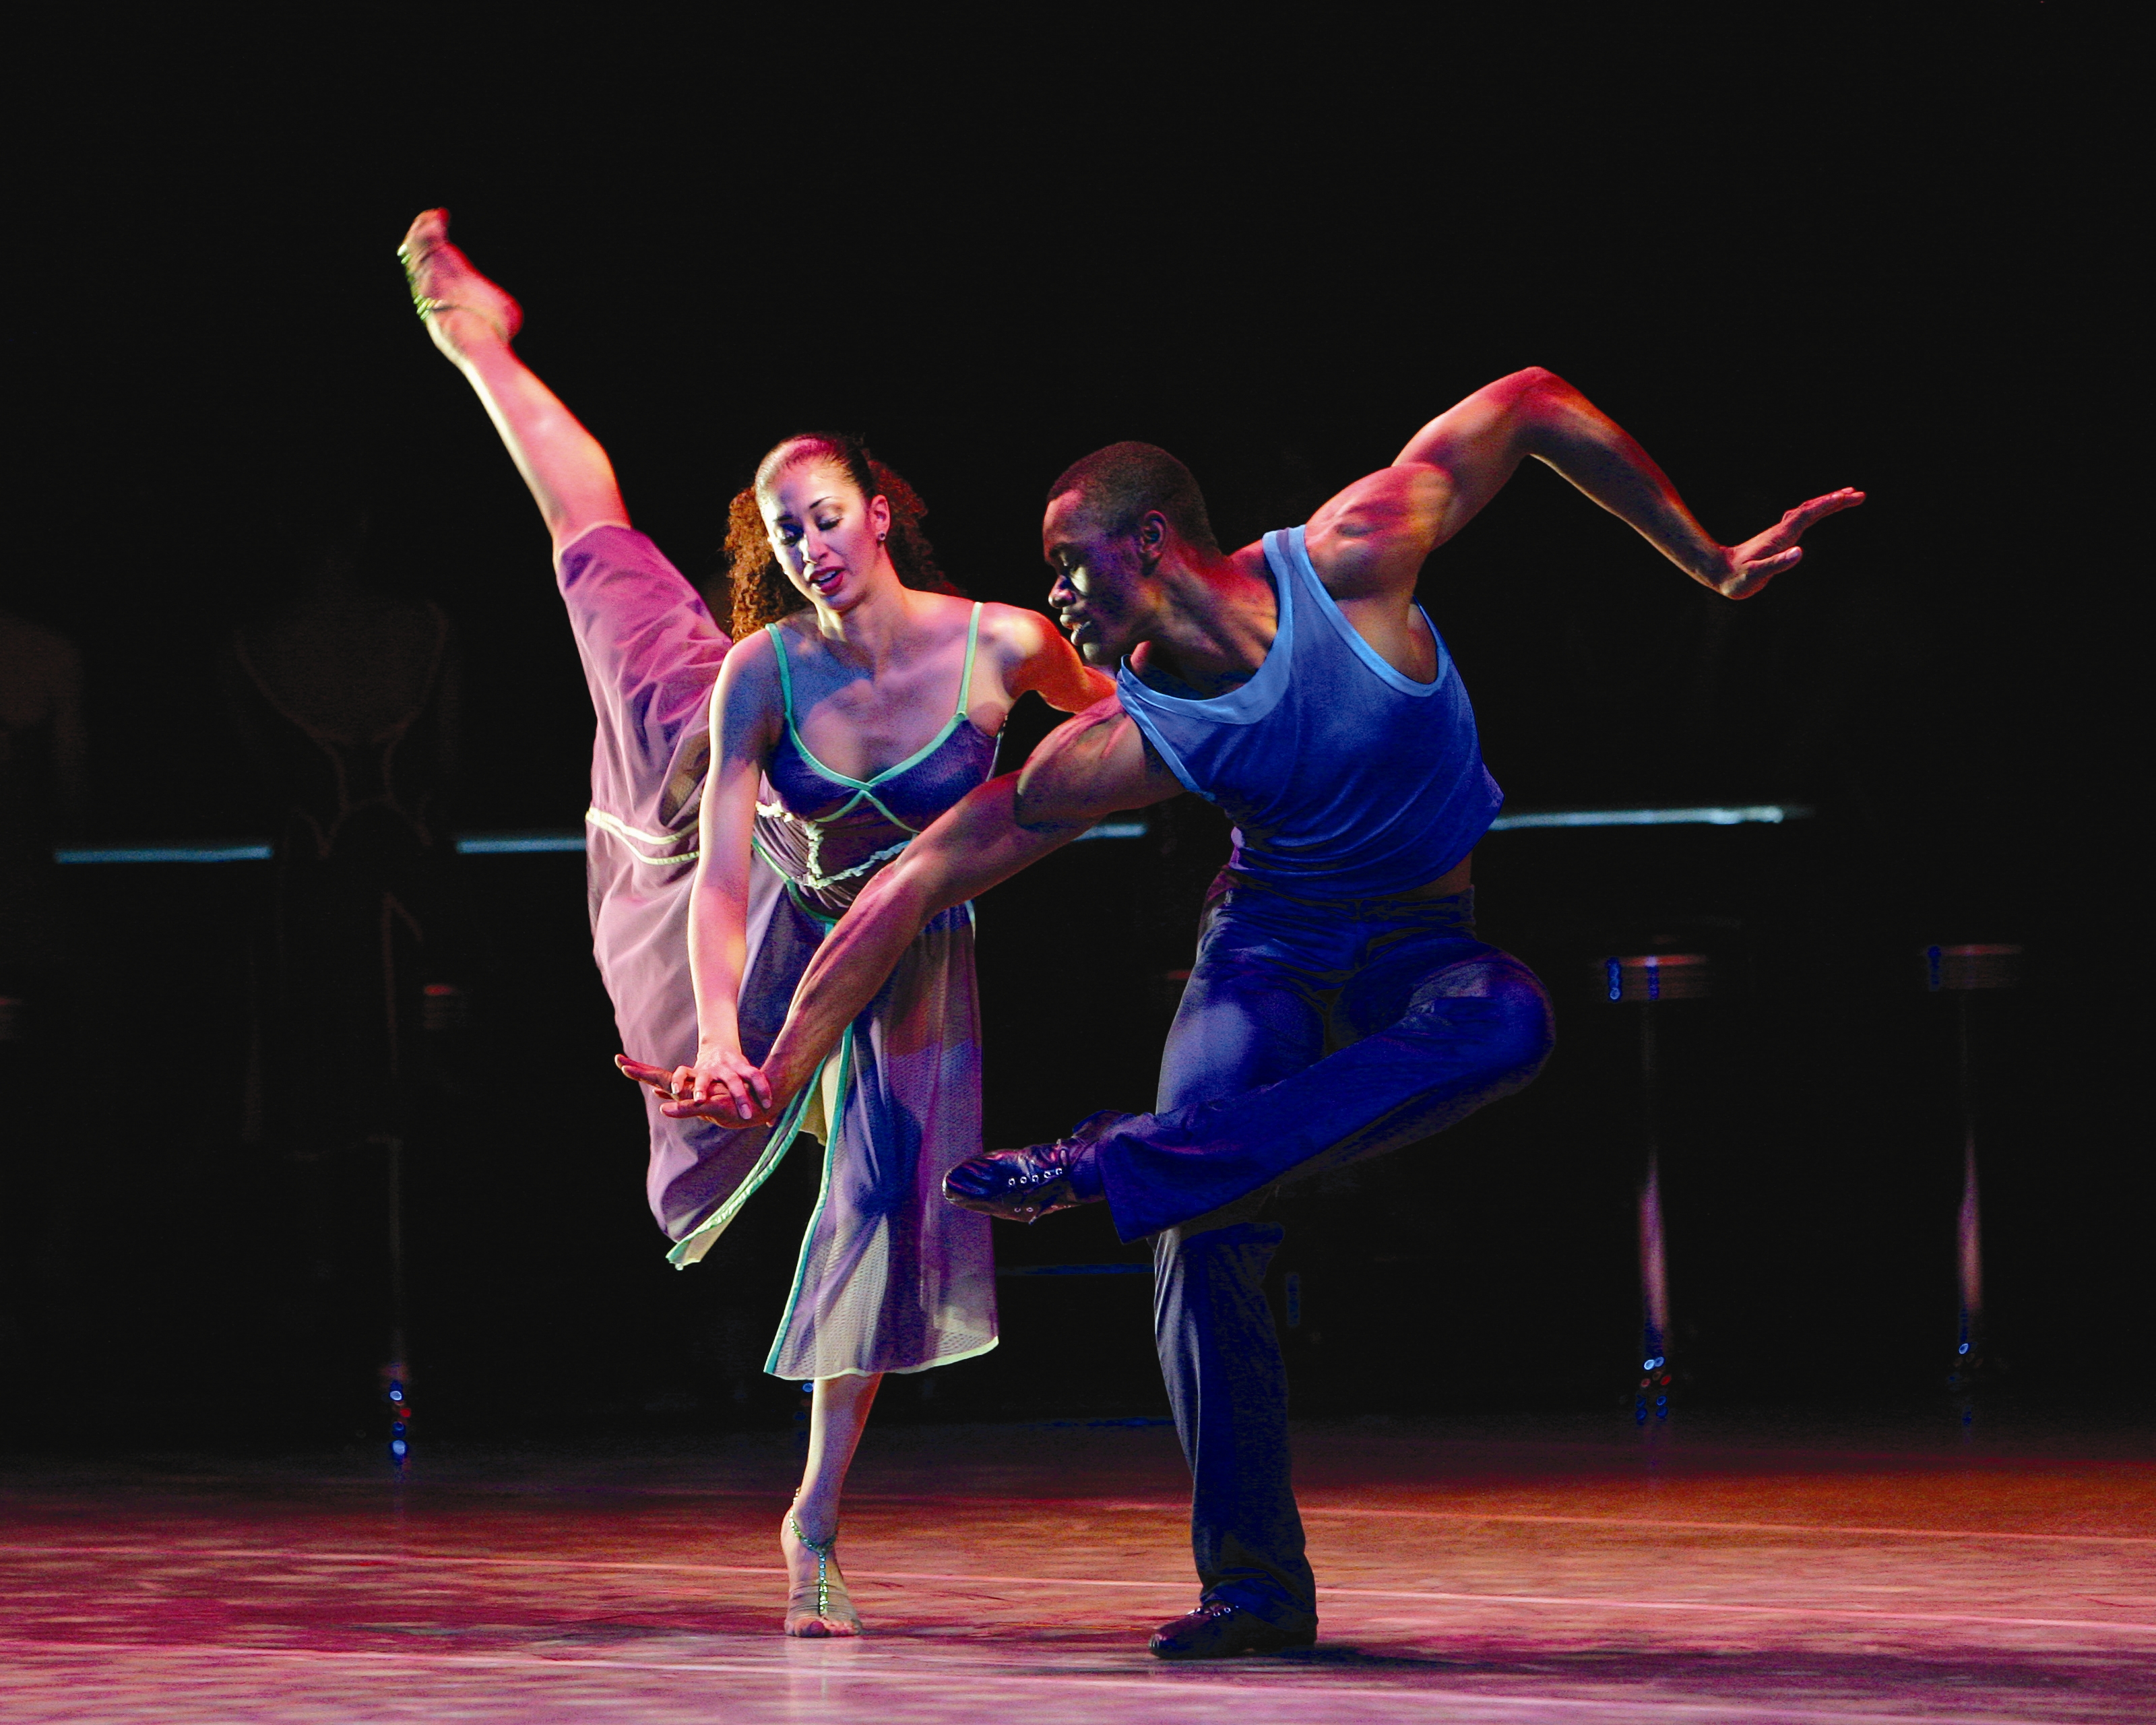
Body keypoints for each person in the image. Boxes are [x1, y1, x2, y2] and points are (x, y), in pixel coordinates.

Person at [658, 369, 1863, 1657]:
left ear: (1153, 545)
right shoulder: (1136, 735)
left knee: (1512, 1018)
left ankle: (1119, 1159)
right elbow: (915, 879)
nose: (1056, 597)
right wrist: (776, 1063)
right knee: (1198, 1223)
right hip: (1267, 953)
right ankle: (1255, 1584)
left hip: (1421, 945)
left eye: (1071, 565)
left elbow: (1527, 403)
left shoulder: (1354, 557)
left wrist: (1710, 559)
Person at [397, 210, 1108, 1637]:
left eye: (827, 518)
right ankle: (479, 344)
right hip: (725, 838)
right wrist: (721, 1030)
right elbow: (719, 869)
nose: (810, 546)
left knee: (890, 1203)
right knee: (596, 553)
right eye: (786, 533)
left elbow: (1126, 728)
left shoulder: (1006, 641)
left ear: (880, 512)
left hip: (903, 939)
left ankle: (814, 1518)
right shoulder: (757, 671)